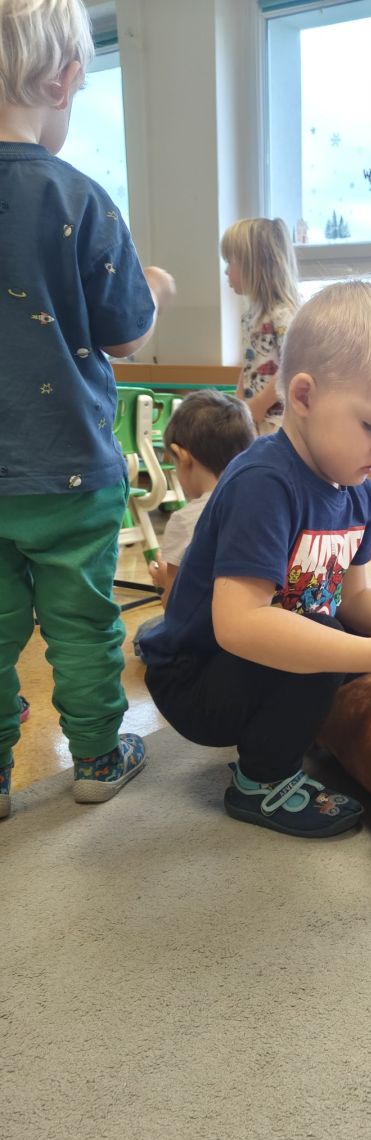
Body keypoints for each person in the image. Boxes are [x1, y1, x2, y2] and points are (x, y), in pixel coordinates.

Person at [139, 282, 371, 839]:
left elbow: (355, 598)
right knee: (332, 638)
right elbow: (240, 624)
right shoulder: (264, 482)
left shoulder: (357, 490)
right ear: (305, 397)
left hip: (250, 664)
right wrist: (369, 652)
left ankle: (300, 727)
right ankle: (259, 782)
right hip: (197, 679)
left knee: (338, 631)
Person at [0, 0, 176, 819]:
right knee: (82, 624)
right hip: (71, 471)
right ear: (65, 79)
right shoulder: (78, 197)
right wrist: (157, 290)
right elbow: (128, 333)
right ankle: (99, 758)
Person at [133, 390, 255, 662]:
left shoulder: (185, 519)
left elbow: (176, 608)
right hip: (254, 632)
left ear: (182, 456)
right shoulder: (258, 505)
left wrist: (164, 580)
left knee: (145, 634)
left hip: (206, 642)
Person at [221, 217, 301, 436]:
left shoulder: (283, 314)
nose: (226, 271)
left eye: (230, 262)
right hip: (256, 419)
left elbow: (292, 367)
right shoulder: (251, 317)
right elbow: (250, 365)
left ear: (253, 266)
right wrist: (239, 404)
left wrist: (259, 404)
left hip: (278, 422)